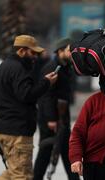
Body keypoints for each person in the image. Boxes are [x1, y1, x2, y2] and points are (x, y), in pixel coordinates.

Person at [0, 35, 58, 180]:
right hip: (17, 130)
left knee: (13, 172)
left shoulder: (4, 66)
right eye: (32, 53)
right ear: (22, 51)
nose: (35, 57)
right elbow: (27, 95)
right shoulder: (18, 69)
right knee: (22, 175)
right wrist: (46, 83)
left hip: (5, 127)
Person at [34, 38, 79, 180]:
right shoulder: (52, 67)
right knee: (45, 153)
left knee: (67, 152)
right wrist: (51, 118)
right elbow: (46, 95)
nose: (72, 53)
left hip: (62, 117)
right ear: (60, 51)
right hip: (51, 120)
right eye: (69, 50)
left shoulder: (67, 67)